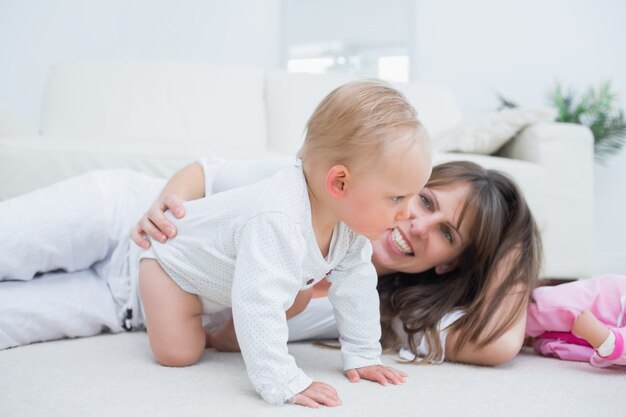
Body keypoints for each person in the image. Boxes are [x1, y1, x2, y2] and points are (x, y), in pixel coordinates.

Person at [0, 79, 431, 408]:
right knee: (12, 242)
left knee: (180, 351)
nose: (408, 213)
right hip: (148, 239)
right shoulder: (278, 213)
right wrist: (283, 380)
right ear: (338, 182)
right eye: (400, 197)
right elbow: (256, 303)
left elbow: (355, 293)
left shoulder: (351, 233)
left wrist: (361, 355)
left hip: (130, 299)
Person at [135, 158, 541, 366]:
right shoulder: (306, 190)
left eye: (447, 234)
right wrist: (160, 210)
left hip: (133, 308)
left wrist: (514, 243)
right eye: (426, 200)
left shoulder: (375, 310)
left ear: (449, 265)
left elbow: (496, 344)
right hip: (131, 221)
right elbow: (205, 172)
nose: (420, 226)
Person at [526, 274, 626, 368]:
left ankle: (527, 332)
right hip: (609, 302)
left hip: (597, 343)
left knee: (547, 341)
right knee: (545, 305)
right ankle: (519, 314)